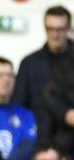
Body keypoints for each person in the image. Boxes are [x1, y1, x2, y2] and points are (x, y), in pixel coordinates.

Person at [15, 6, 73, 143]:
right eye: (50, 29)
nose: (55, 34)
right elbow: (19, 104)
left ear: (69, 28)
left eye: (60, 29)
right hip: (40, 139)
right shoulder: (30, 63)